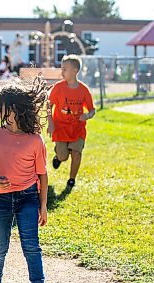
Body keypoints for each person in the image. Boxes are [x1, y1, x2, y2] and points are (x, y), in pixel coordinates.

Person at [0, 78, 56, 283]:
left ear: (19, 109)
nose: (5, 112)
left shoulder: (35, 140)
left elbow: (42, 176)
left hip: (28, 198)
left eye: (9, 107)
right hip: (0, 199)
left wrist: (43, 205)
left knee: (31, 246)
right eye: (4, 107)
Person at [47, 54, 96, 188]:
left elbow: (92, 110)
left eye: (65, 69)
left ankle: (71, 179)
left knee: (76, 152)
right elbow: (49, 106)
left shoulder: (84, 90)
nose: (62, 72)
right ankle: (58, 157)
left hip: (77, 128)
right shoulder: (58, 88)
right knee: (63, 156)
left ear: (75, 70)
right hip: (61, 127)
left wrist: (87, 116)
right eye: (61, 69)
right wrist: (50, 122)